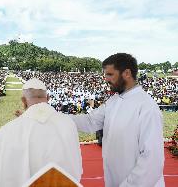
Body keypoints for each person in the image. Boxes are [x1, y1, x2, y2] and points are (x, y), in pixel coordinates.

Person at [71, 53, 165, 187]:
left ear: (127, 73)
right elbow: (90, 121)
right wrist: (55, 117)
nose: (106, 79)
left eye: (110, 74)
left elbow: (152, 160)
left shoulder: (147, 107)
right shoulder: (114, 100)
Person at [0, 78, 82, 187]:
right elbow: (74, 165)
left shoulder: (8, 130)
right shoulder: (68, 124)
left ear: (23, 100)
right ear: (48, 98)